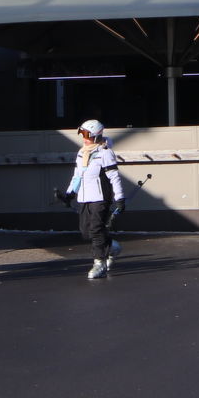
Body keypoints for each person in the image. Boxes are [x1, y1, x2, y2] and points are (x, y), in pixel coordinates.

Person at [65, 117, 125, 280]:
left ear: (96, 136)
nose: (84, 138)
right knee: (86, 232)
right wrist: (69, 193)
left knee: (96, 229)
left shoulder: (105, 153)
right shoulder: (81, 152)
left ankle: (99, 263)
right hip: (84, 197)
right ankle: (112, 247)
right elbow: (77, 175)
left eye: (87, 134)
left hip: (100, 197)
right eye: (82, 134)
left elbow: (114, 177)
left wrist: (120, 197)